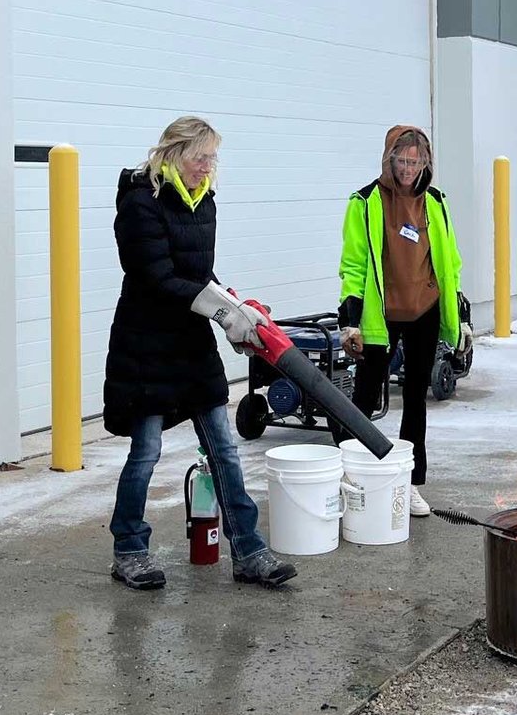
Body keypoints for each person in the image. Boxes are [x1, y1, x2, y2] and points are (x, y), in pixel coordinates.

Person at [101, 116, 297, 590]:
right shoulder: (139, 203)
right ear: (173, 154)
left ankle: (248, 550)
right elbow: (156, 276)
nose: (207, 168)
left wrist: (234, 309)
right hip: (146, 346)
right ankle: (129, 549)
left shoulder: (204, 202)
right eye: (199, 158)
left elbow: (196, 271)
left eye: (212, 159)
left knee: (225, 450)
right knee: (146, 453)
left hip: (191, 347)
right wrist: (218, 310)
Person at [337, 126, 464, 515]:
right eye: (402, 160)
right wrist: (350, 320)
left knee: (415, 400)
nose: (408, 168)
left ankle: (409, 483)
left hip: (424, 310)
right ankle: (352, 476)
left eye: (416, 161)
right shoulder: (365, 202)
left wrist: (462, 315)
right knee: (363, 397)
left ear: (425, 163)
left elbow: (450, 264)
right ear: (389, 159)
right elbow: (353, 265)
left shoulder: (436, 202)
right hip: (381, 315)